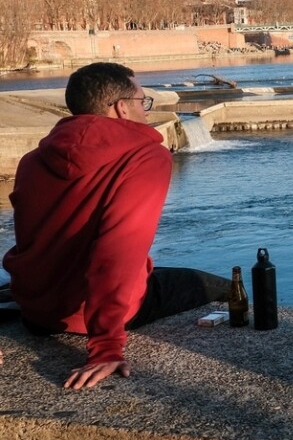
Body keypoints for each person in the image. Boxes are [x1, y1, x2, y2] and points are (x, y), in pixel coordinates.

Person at [4, 62, 229, 389]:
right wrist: (106, 347)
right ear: (122, 108)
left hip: (35, 311)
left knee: (157, 271)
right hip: (90, 318)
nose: (146, 111)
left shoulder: (32, 160)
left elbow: (33, 240)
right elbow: (117, 251)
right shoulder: (144, 157)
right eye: (143, 101)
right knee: (224, 289)